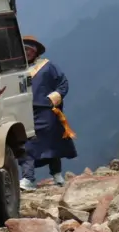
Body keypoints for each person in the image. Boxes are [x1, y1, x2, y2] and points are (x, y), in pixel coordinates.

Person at [19, 35, 77, 191]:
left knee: (52, 143)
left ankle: (56, 174)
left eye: (29, 50)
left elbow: (63, 84)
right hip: (24, 112)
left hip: (46, 112)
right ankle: (28, 178)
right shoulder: (18, 69)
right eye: (24, 49)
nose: (27, 52)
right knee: (26, 144)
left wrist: (52, 99)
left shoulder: (47, 67)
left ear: (35, 51)